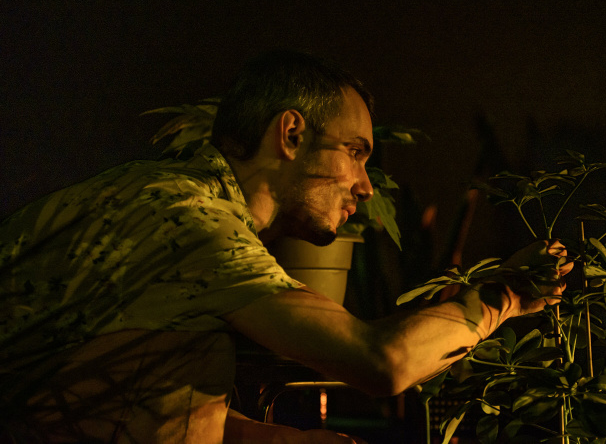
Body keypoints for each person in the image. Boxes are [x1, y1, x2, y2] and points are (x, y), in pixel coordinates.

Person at [0, 50, 572, 443]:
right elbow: (383, 361)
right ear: (292, 134)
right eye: (355, 152)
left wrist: (277, 440)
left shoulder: (154, 195)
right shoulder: (193, 224)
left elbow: (112, 399)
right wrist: (506, 296)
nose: (366, 187)